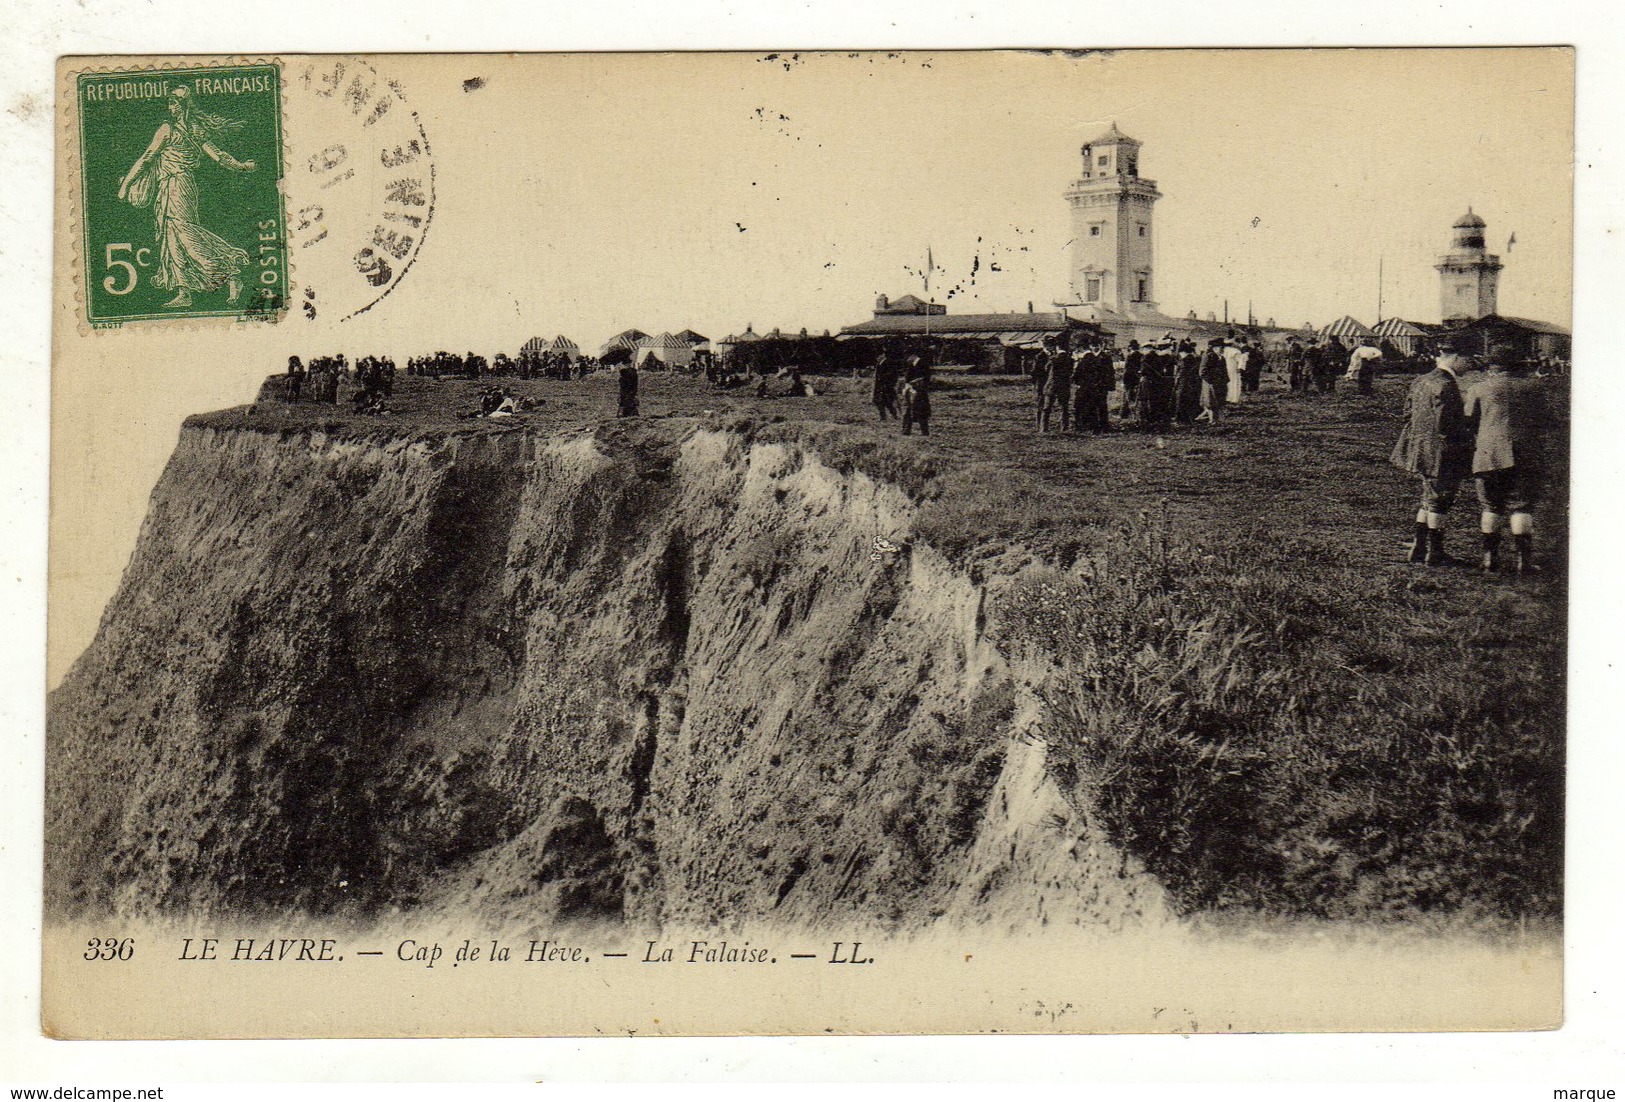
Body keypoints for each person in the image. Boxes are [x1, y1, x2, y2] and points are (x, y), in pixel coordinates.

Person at [117, 87, 257, 309]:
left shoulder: (176, 129)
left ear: (183, 105)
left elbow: (147, 158)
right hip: (171, 186)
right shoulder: (188, 128)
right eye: (169, 103)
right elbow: (149, 158)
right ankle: (185, 292)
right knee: (171, 237)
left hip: (178, 186)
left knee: (183, 234)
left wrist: (125, 185)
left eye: (174, 103)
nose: (170, 107)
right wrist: (242, 166)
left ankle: (230, 275)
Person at [1391, 332, 1476, 565]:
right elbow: (1448, 424)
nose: (1470, 366)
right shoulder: (1446, 385)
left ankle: (1419, 547)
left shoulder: (1421, 380)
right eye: (1469, 360)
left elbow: (1407, 414)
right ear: (1457, 357)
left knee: (1428, 498)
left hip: (1419, 449)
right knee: (1440, 500)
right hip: (1442, 451)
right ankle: (1435, 553)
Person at [1465, 343, 1546, 573]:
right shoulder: (1535, 387)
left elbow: (1469, 420)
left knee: (1491, 505)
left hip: (1489, 455)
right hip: (1526, 454)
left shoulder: (1478, 388)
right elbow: (1545, 420)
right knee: (1522, 506)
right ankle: (1524, 562)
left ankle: (1490, 559)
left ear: (1493, 366)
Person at [1039, 340, 1073, 433]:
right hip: (1064, 386)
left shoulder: (1053, 359)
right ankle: (1064, 428)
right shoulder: (1070, 360)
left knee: (1046, 408)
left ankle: (1043, 429)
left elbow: (1046, 369)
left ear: (1057, 348)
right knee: (1064, 408)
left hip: (1052, 386)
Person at [1197, 340, 1228, 424]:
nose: (1223, 350)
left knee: (1219, 401)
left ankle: (1216, 420)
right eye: (1221, 348)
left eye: (1223, 348)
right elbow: (1202, 372)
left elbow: (1224, 371)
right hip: (1210, 384)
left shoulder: (1222, 358)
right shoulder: (1208, 356)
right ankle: (1211, 420)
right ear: (1215, 348)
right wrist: (1211, 381)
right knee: (1210, 403)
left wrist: (1226, 380)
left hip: (1220, 384)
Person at [900, 355, 932, 436]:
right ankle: (906, 431)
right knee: (909, 412)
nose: (907, 360)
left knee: (920, 413)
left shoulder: (922, 364)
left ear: (912, 356)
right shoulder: (912, 365)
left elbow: (925, 378)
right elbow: (907, 378)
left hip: (919, 393)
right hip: (912, 392)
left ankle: (924, 432)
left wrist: (914, 383)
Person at [871, 352, 899, 421]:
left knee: (888, 402)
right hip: (879, 386)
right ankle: (883, 417)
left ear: (882, 355)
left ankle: (895, 416)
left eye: (878, 356)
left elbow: (893, 374)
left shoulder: (889, 363)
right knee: (878, 401)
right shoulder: (879, 364)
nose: (877, 358)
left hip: (887, 386)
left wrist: (886, 381)